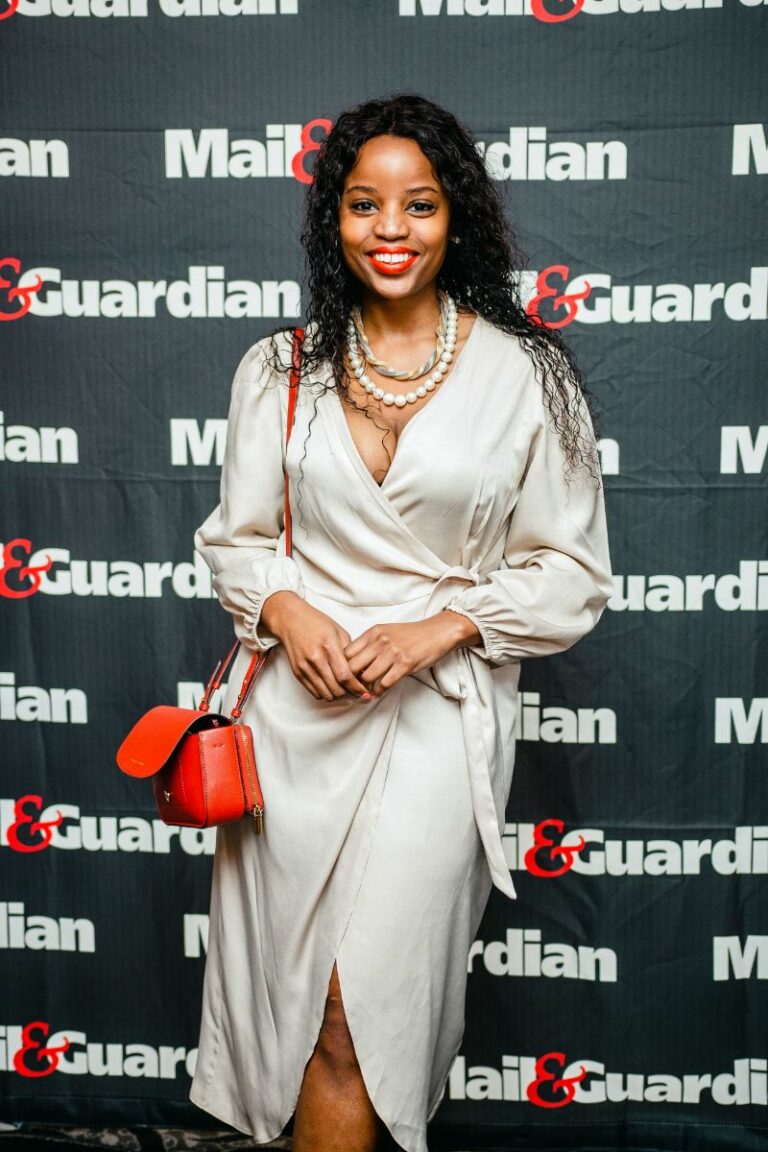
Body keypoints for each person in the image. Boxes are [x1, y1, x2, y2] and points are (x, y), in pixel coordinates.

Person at [188, 93, 613, 1152]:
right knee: (296, 1015)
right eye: (364, 204)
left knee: (356, 1012)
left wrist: (445, 625)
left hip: (435, 723)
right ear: (332, 220)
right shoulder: (279, 370)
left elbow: (571, 574)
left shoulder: (529, 375)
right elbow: (236, 541)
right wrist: (285, 608)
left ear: (454, 217)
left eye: (419, 204)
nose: (392, 229)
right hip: (295, 727)